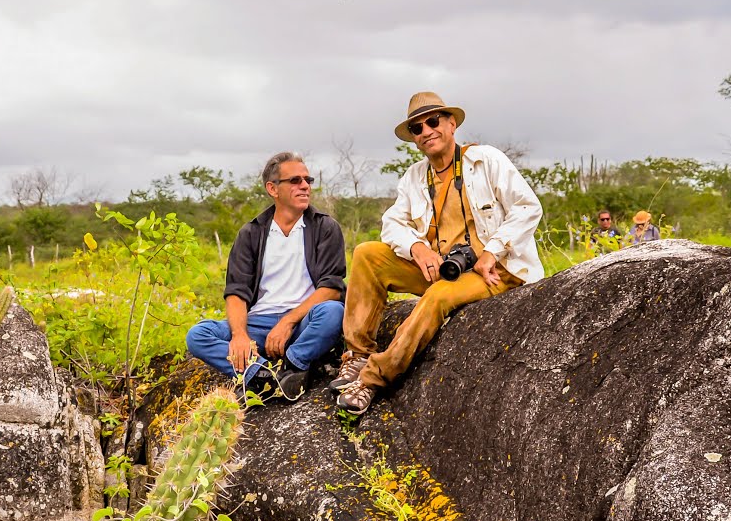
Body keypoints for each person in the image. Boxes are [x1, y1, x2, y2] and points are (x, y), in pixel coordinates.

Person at [332, 92, 543, 415]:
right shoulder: (416, 177)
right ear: (414, 139)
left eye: (433, 121)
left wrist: (491, 251)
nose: (426, 131)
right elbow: (392, 224)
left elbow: (528, 207)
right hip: (444, 267)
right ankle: (358, 354)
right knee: (366, 254)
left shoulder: (486, 160)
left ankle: (372, 379)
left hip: (495, 270)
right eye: (417, 128)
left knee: (438, 296)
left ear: (452, 124)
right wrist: (417, 248)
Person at [185, 151, 346, 404]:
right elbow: (237, 292)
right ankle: (259, 373)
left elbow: (331, 288)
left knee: (334, 312)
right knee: (198, 335)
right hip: (259, 324)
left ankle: (294, 365)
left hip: (305, 320)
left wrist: (289, 322)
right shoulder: (251, 233)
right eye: (295, 181)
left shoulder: (325, 228)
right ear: (273, 188)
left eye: (308, 180)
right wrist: (240, 335)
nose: (305, 186)